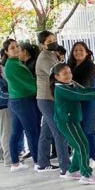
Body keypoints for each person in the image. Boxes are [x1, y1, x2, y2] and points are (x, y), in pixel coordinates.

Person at [50, 63, 95, 184]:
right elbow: (78, 94)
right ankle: (86, 175)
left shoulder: (69, 85)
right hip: (67, 122)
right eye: (64, 74)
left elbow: (82, 90)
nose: (68, 75)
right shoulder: (61, 88)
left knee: (82, 144)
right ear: (57, 77)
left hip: (73, 120)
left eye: (69, 72)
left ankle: (73, 170)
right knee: (82, 146)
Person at [34, 30, 69, 174]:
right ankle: (65, 167)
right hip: (47, 99)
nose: (54, 42)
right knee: (59, 132)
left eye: (54, 39)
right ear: (42, 45)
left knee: (46, 132)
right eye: (49, 41)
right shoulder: (44, 58)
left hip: (49, 98)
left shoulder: (52, 55)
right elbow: (59, 75)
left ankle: (42, 163)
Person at [5, 41, 40, 171]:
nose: (16, 49)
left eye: (17, 46)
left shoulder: (15, 63)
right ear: (6, 52)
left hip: (17, 100)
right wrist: (44, 91)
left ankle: (15, 163)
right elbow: (29, 83)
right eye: (12, 48)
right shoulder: (14, 65)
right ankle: (38, 162)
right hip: (23, 101)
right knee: (32, 131)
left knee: (17, 132)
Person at [67, 41, 95, 164]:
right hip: (74, 101)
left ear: (87, 53)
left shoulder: (90, 66)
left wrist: (70, 82)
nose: (78, 52)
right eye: (75, 50)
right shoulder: (69, 65)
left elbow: (86, 84)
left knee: (88, 129)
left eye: (81, 50)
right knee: (77, 129)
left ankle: (92, 157)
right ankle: (79, 154)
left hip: (88, 101)